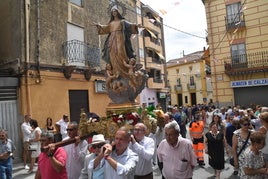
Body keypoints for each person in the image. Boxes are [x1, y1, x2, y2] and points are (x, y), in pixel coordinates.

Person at [94, 5, 141, 81]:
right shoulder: (111, 23)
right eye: (112, 12)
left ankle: (124, 71)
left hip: (120, 39)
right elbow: (105, 28)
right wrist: (99, 26)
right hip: (112, 40)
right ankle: (116, 71)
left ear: (118, 12)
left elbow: (130, 25)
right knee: (112, 54)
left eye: (115, 11)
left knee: (120, 52)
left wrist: (136, 25)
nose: (114, 13)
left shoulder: (122, 22)